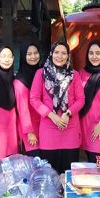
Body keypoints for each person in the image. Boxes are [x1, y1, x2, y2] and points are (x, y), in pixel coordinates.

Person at [30, 40, 85, 173]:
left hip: (70, 128)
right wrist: (51, 115)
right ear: (51, 54)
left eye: (63, 53)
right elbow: (34, 99)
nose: (60, 56)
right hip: (49, 129)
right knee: (50, 173)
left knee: (68, 173)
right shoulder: (41, 73)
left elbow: (81, 99)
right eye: (56, 52)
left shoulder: (74, 75)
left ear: (68, 56)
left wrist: (68, 113)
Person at [14, 43, 43, 157]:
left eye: (35, 53)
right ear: (23, 56)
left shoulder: (42, 74)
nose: (33, 56)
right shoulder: (20, 82)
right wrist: (29, 132)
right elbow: (23, 110)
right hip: (30, 129)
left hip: (44, 126)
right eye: (29, 54)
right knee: (35, 161)